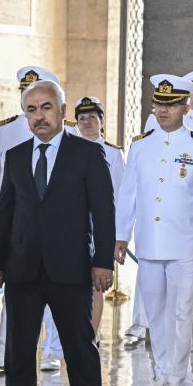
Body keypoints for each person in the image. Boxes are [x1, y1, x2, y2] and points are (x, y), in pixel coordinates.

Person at [0, 76, 115, 386]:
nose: (39, 116)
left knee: (79, 348)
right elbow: (5, 213)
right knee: (19, 352)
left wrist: (102, 261)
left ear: (62, 111)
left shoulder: (87, 154)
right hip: (22, 269)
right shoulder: (15, 157)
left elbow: (103, 213)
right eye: (31, 110)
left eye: (46, 108)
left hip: (71, 268)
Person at [116, 75, 193, 386]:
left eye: (171, 105)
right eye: (159, 104)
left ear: (185, 108)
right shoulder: (140, 145)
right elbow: (128, 193)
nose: (163, 110)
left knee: (180, 311)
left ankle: (174, 376)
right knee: (156, 311)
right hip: (149, 242)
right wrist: (120, 236)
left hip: (184, 242)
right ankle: (162, 371)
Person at [0, 66, 65, 372]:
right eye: (26, 96)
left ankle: (52, 350)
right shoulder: (8, 129)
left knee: (56, 291)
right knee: (13, 289)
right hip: (17, 224)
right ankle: (3, 348)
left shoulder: (69, 130)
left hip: (55, 227)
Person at [72, 96, 126, 336]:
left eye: (92, 117)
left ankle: (90, 337)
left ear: (101, 120)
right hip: (72, 227)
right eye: (81, 118)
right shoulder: (67, 149)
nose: (86, 123)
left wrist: (117, 237)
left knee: (96, 286)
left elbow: (120, 197)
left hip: (99, 228)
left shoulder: (113, 154)